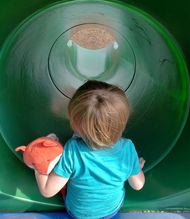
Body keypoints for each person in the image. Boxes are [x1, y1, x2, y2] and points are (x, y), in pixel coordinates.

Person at [35, 80, 145, 219]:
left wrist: (40, 167)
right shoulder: (127, 148)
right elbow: (138, 185)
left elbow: (47, 191)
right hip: (111, 211)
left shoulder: (72, 150)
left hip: (78, 213)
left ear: (74, 122)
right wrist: (135, 167)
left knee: (65, 180)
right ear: (122, 123)